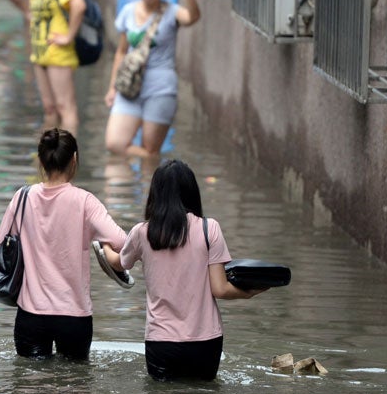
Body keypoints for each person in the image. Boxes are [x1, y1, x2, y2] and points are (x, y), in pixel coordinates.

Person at [100, 159, 266, 380]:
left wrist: (103, 244)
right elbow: (221, 289)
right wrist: (252, 292)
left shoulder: (142, 232)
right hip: (205, 342)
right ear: (192, 193)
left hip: (161, 342)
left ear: (155, 194)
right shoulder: (209, 229)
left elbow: (118, 263)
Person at [0, 128, 126, 360]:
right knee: (74, 388)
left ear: (41, 161)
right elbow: (122, 241)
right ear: (74, 159)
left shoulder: (22, 198)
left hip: (31, 315)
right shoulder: (85, 202)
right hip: (74, 316)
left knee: (31, 386)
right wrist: (102, 247)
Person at [105, 0, 201, 158]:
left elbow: (193, 17)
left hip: (161, 89)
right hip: (130, 86)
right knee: (115, 143)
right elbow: (121, 52)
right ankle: (145, 169)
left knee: (151, 147)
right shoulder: (128, 11)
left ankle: (147, 183)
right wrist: (112, 87)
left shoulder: (172, 12)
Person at [26, 0, 84, 135]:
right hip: (41, 51)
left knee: (65, 108)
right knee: (50, 109)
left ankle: (69, 161)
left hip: (58, 52)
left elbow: (78, 5)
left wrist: (69, 35)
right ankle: (48, 159)